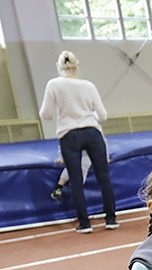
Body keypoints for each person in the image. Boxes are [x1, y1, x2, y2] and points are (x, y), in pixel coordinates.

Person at [39, 50, 117, 233]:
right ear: (77, 65)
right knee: (104, 178)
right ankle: (111, 218)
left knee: (75, 180)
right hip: (92, 131)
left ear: (59, 66)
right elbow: (103, 115)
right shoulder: (88, 86)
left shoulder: (54, 84)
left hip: (69, 133)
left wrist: (65, 110)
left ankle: (85, 223)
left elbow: (46, 114)